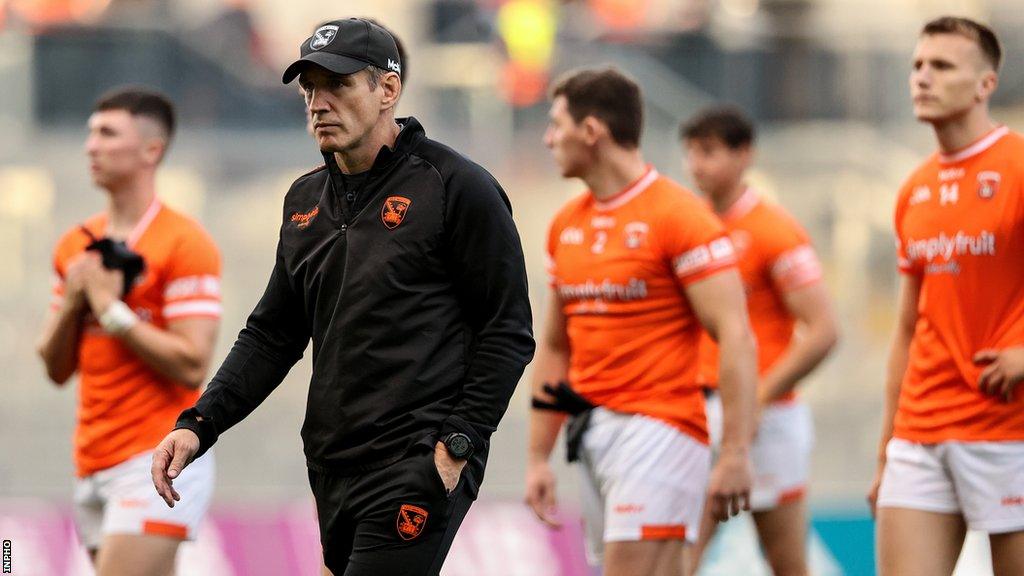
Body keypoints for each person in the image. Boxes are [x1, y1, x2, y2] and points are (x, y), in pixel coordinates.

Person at [150, 17, 535, 576]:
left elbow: (508, 328)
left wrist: (457, 443)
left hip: (415, 460)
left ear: (388, 89)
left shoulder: (455, 185)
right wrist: (199, 423)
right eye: (309, 88)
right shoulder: (305, 199)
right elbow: (273, 333)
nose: (318, 103)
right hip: (332, 465)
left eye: (337, 85)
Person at [525, 67, 757, 576]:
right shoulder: (566, 224)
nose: (548, 138)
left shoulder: (681, 216)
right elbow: (557, 347)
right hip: (592, 433)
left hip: (661, 431)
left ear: (592, 132)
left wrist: (736, 451)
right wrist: (539, 454)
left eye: (556, 124)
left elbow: (736, 334)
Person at [36, 87, 222, 575]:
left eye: (107, 133)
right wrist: (76, 299)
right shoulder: (76, 246)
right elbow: (55, 369)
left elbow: (192, 362)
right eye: (90, 133)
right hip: (91, 459)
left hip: (156, 459)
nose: (90, 146)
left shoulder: (185, 243)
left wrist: (109, 309)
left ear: (151, 150)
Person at [868, 16, 1024, 576]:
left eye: (941, 66)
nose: (922, 78)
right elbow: (908, 327)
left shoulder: (1018, 168)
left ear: (985, 84)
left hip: (1009, 430)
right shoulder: (914, 188)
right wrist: (887, 449)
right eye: (916, 66)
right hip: (921, 430)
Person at [681, 107, 839, 576]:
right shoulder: (687, 226)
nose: (696, 165)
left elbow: (824, 330)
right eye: (691, 152)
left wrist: (758, 396)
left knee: (787, 562)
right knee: (679, 554)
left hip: (769, 419)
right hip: (697, 410)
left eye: (709, 151)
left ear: (744, 154)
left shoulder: (774, 230)